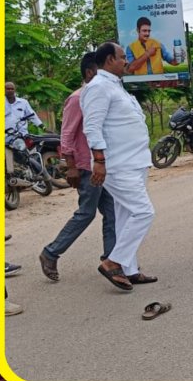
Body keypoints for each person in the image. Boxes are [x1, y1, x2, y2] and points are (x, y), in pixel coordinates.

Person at [39, 53, 129, 283]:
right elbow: (67, 134)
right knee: (86, 213)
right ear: (90, 73)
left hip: (104, 165)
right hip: (86, 166)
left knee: (111, 213)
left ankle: (112, 261)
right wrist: (70, 166)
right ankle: (51, 253)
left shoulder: (100, 96)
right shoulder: (78, 98)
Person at [81, 42, 157, 291]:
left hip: (134, 161)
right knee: (144, 212)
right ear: (109, 60)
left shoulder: (116, 86)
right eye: (123, 57)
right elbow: (92, 126)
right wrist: (99, 161)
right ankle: (112, 262)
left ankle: (130, 269)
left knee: (126, 216)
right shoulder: (98, 87)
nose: (127, 61)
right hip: (117, 164)